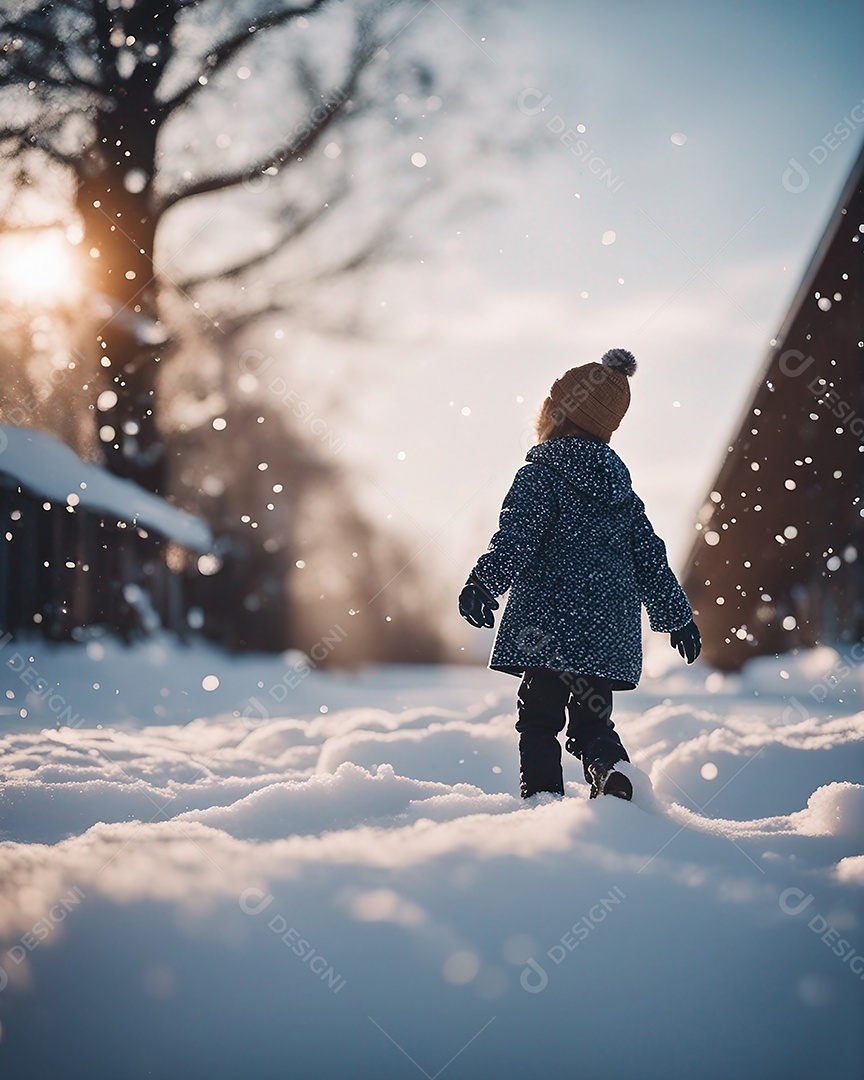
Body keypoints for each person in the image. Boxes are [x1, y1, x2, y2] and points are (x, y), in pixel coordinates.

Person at [458, 349, 701, 802]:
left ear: (554, 413)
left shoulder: (540, 475)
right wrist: (678, 617)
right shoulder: (623, 494)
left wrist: (483, 584)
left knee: (539, 721)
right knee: (593, 723)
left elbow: (516, 539)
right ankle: (609, 771)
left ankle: (543, 804)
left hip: (545, 629)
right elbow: (651, 559)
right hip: (606, 634)